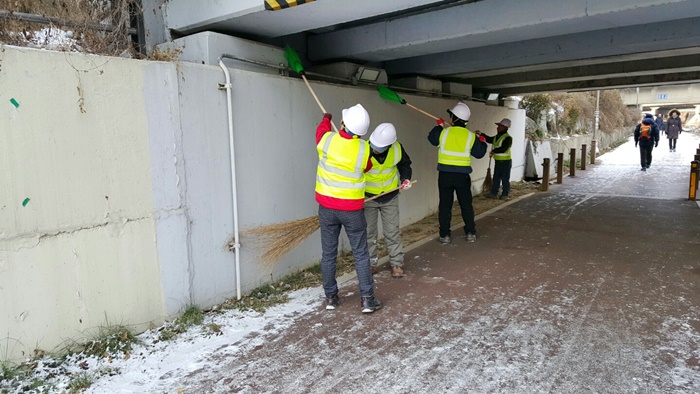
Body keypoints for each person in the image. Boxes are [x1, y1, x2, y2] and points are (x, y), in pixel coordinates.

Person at [315, 103, 382, 313]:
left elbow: (320, 131)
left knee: (328, 254)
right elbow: (368, 167)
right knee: (361, 254)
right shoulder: (364, 149)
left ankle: (331, 298)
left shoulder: (327, 140)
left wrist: (327, 118)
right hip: (352, 211)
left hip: (327, 208)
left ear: (342, 123)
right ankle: (367, 300)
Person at [428, 102, 487, 244]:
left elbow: (432, 138)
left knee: (445, 206)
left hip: (445, 175)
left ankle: (445, 235)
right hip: (462, 176)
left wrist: (439, 125)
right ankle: (471, 233)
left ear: (453, 119)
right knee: (466, 205)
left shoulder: (443, 133)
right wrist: (482, 141)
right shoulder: (470, 136)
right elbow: (479, 153)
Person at [364, 123, 413, 278]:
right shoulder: (362, 149)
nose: (375, 149)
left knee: (392, 232)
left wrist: (405, 179)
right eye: (374, 145)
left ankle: (396, 263)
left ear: (389, 145)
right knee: (368, 233)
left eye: (379, 146)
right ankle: (370, 264)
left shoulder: (397, 149)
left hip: (390, 196)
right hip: (368, 197)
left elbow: (405, 165)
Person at [479, 118, 513, 200]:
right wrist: (481, 134)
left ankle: (505, 194)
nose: (497, 128)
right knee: (496, 178)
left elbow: (504, 148)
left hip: (505, 162)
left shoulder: (508, 138)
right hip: (498, 161)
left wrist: (494, 151)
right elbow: (490, 139)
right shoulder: (497, 137)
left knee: (505, 178)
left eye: (500, 126)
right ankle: (494, 193)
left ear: (505, 127)